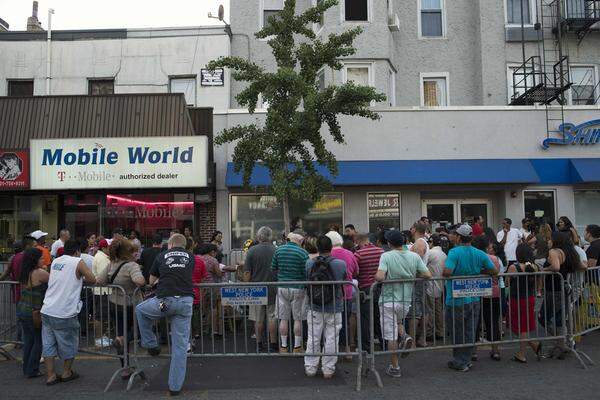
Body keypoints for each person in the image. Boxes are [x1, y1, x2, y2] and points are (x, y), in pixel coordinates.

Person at [136, 234, 194, 396]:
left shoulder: (161, 256)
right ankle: (175, 387)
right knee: (180, 347)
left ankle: (151, 344)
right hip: (185, 302)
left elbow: (152, 279)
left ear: (170, 244)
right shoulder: (191, 256)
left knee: (140, 310)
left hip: (165, 300)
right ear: (184, 246)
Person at [375, 230, 431, 378]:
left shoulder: (386, 256)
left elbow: (380, 276)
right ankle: (405, 335)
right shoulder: (414, 256)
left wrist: (379, 277)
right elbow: (427, 274)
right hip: (405, 299)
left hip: (388, 299)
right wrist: (411, 276)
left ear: (389, 243)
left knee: (390, 336)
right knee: (398, 322)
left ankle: (395, 366)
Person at [40, 239, 96, 385]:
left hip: (47, 309)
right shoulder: (77, 261)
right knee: (69, 342)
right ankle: (66, 372)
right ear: (77, 251)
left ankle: (51, 375)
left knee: (48, 344)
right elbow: (92, 278)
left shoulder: (56, 262)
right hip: (64, 311)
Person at [443, 225, 497, 372]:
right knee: (470, 330)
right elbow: (494, 270)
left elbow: (447, 271)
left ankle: (460, 361)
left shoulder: (454, 252)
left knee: (456, 331)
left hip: (455, 298)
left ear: (459, 237)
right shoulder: (479, 253)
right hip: (474, 298)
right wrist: (479, 272)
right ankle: (465, 359)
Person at [95, 238, 145, 378]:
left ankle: (125, 369)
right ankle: (122, 340)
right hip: (131, 305)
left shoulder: (111, 264)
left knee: (120, 333)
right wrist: (139, 274)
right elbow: (139, 281)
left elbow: (99, 280)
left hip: (114, 304)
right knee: (139, 332)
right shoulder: (131, 266)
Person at [304, 235, 347, 379]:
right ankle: (328, 369)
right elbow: (344, 280)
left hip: (315, 306)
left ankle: (310, 367)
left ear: (318, 248)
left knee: (313, 337)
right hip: (334, 306)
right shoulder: (340, 264)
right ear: (331, 247)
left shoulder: (309, 263)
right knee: (332, 338)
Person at [540, 231, 585, 359]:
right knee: (560, 319)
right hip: (564, 289)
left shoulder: (554, 252)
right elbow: (582, 266)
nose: (548, 241)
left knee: (543, 318)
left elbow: (556, 267)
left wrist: (544, 269)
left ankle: (561, 342)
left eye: (549, 239)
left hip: (553, 290)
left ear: (555, 240)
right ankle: (563, 343)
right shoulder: (569, 252)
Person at [272, 231, 309, 353]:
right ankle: (297, 347)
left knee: (283, 318)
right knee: (297, 318)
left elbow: (273, 268)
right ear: (299, 241)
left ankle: (283, 346)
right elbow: (306, 271)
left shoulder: (278, 250)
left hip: (282, 286)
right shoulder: (303, 252)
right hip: (298, 287)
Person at [16, 247, 49, 378]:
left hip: (22, 309)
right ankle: (32, 369)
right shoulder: (40, 272)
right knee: (38, 341)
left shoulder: (25, 272)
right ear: (35, 260)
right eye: (41, 258)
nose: (43, 260)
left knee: (28, 340)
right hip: (34, 312)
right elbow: (53, 281)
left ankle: (27, 368)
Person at [243, 226, 278, 352]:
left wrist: (246, 288)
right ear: (270, 236)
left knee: (258, 319)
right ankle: (273, 344)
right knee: (272, 317)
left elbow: (247, 272)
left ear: (258, 237)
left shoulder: (252, 251)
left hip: (256, 289)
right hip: (273, 288)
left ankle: (259, 344)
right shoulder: (276, 250)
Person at [506, 243, 542, 363]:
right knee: (523, 325)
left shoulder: (514, 267)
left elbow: (507, 282)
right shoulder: (535, 266)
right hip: (530, 297)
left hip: (517, 299)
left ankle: (522, 353)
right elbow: (538, 283)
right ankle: (533, 344)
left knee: (519, 327)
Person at [326, 230, 358, 356]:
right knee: (346, 321)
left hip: (331, 294)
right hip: (347, 293)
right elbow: (356, 272)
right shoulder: (350, 254)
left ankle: (333, 351)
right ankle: (348, 350)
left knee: (331, 324)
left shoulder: (327, 254)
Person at [472, 236, 502, 361]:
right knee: (493, 322)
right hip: (493, 292)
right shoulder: (495, 259)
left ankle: (473, 352)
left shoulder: (475, 258)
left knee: (475, 322)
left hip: (477, 293)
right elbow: (496, 272)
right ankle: (495, 350)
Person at [354, 233, 384, 352]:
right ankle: (384, 343)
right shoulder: (381, 251)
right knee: (379, 316)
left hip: (365, 289)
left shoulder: (359, 254)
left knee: (365, 319)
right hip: (380, 287)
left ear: (359, 242)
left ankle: (366, 347)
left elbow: (355, 271)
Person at [409, 222, 429, 347]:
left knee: (415, 311)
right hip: (420, 279)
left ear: (414, 229)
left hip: (417, 280)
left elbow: (416, 260)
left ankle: (412, 341)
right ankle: (421, 339)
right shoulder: (422, 242)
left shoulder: (419, 242)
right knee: (423, 308)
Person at [187, 237, 208, 345]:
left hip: (181, 295)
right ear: (193, 246)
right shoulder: (199, 261)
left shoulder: (178, 261)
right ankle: (193, 338)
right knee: (195, 318)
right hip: (195, 295)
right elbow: (203, 279)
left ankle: (188, 341)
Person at [425, 234, 446, 341]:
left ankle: (429, 332)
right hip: (440, 285)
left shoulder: (431, 253)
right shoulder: (443, 254)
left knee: (430, 310)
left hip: (431, 285)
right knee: (438, 310)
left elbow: (422, 265)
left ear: (431, 242)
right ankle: (440, 331)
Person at [199, 243, 224, 336]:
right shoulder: (213, 260)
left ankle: (201, 330)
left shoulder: (198, 258)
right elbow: (218, 273)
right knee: (213, 308)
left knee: (202, 309)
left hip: (200, 286)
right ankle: (214, 330)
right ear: (212, 252)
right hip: (211, 286)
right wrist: (222, 273)